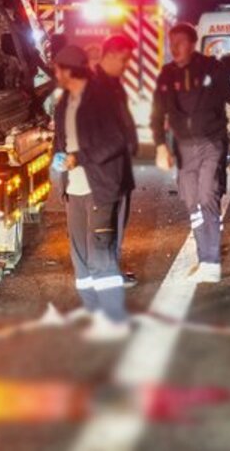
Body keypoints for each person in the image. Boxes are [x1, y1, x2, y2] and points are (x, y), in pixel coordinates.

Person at [150, 22, 230, 283]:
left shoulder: (213, 69)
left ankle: (210, 260)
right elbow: (157, 111)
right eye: (172, 44)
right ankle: (203, 251)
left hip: (211, 142)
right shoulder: (167, 74)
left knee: (208, 194)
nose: (175, 49)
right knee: (192, 201)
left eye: (180, 43)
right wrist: (160, 144)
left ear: (192, 44)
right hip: (182, 147)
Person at [51, 44, 133, 341]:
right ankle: (95, 314)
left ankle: (114, 319)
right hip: (74, 189)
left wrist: (78, 157)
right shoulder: (63, 103)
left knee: (100, 255)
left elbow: (116, 140)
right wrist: (59, 163)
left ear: (70, 70)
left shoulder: (100, 98)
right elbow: (60, 141)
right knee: (81, 258)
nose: (55, 74)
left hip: (101, 187)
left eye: (58, 69)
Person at [95, 34, 139, 287]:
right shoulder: (96, 86)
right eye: (124, 59)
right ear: (110, 55)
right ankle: (106, 273)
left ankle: (110, 269)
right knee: (107, 224)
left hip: (118, 166)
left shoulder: (112, 83)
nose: (127, 65)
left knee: (116, 221)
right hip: (107, 169)